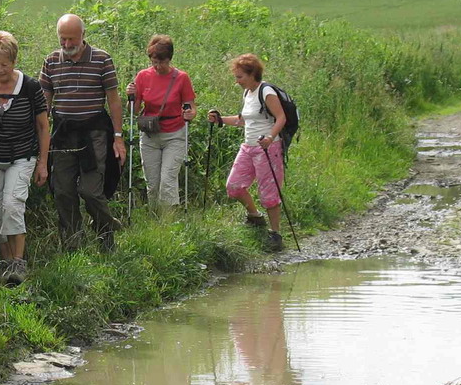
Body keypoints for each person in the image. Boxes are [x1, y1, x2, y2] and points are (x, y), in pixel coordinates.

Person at [39, 13, 126, 250]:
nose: (67, 45)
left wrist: (118, 138)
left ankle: (105, 232)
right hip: (63, 133)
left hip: (94, 133)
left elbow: (114, 100)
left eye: (71, 39)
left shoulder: (101, 59)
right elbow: (44, 104)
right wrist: (39, 139)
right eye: (62, 40)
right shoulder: (51, 61)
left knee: (90, 191)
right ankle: (72, 244)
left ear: (83, 35)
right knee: (63, 191)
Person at [0, 31, 50, 284]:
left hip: (23, 156)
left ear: (14, 61)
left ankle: (19, 264)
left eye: (4, 65)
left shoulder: (30, 87)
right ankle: (6, 263)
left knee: (12, 204)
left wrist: (42, 163)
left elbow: (43, 126)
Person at [207, 54, 287, 253]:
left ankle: (275, 234)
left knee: (269, 194)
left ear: (252, 74)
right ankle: (255, 216)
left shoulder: (266, 92)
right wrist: (219, 120)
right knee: (233, 186)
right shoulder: (248, 93)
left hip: (268, 148)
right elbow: (243, 120)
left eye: (240, 76)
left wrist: (269, 137)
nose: (237, 81)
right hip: (248, 147)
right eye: (236, 76)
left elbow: (281, 117)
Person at [126, 34, 197, 207]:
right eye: (153, 62)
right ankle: (154, 218)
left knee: (167, 181)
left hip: (174, 135)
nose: (157, 66)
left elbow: (191, 107)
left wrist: (190, 114)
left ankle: (169, 221)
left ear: (169, 59)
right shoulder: (143, 76)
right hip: (150, 135)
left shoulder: (181, 78)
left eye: (161, 62)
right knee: (153, 183)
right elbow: (134, 111)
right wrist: (131, 97)